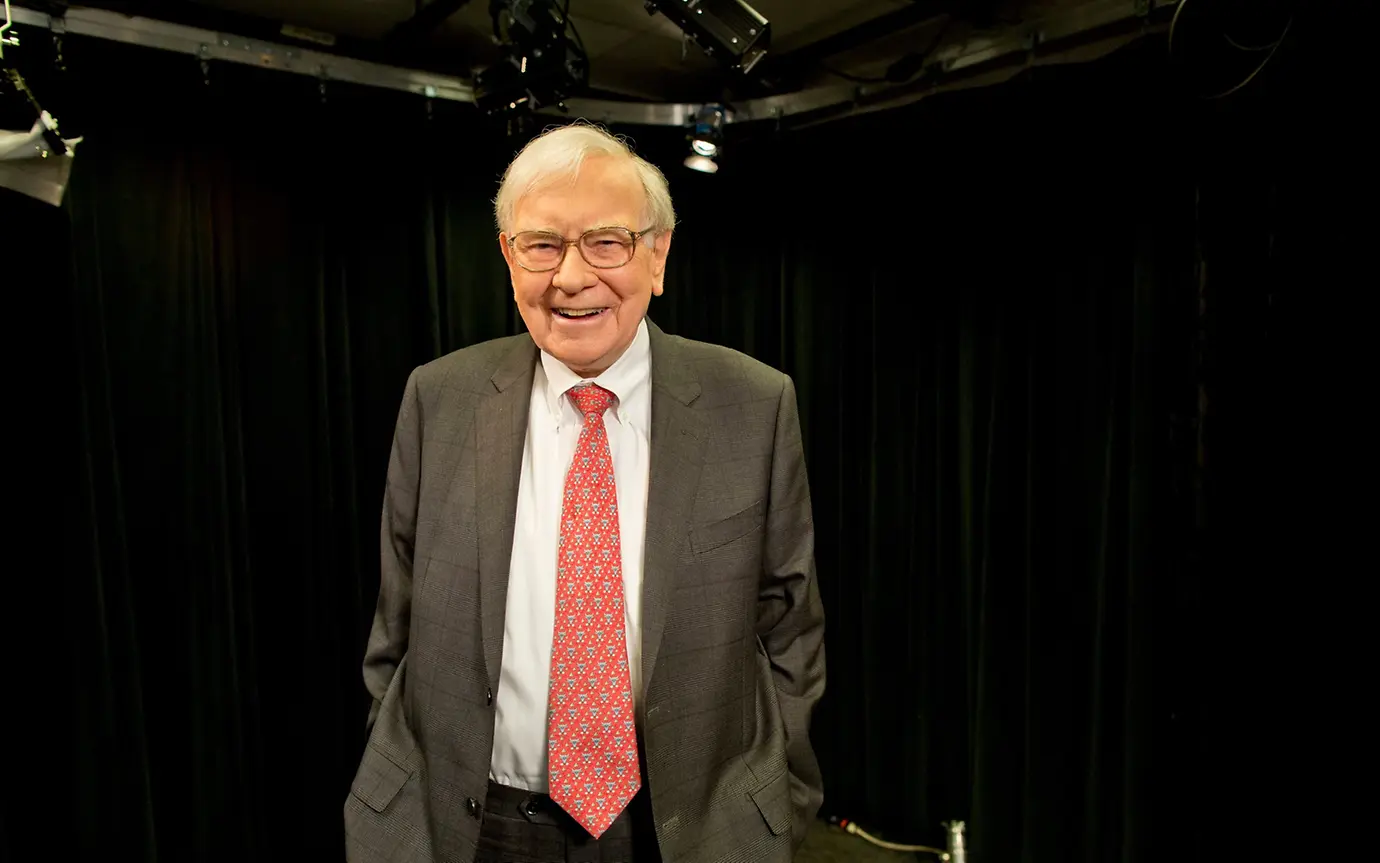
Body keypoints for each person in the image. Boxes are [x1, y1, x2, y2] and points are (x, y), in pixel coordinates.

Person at [344, 122, 825, 863]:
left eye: (607, 242)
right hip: (470, 827)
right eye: (542, 244)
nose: (571, 277)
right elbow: (396, 627)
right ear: (508, 257)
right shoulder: (437, 398)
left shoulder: (753, 404)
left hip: (681, 830)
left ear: (657, 254)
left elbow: (789, 628)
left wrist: (776, 799)